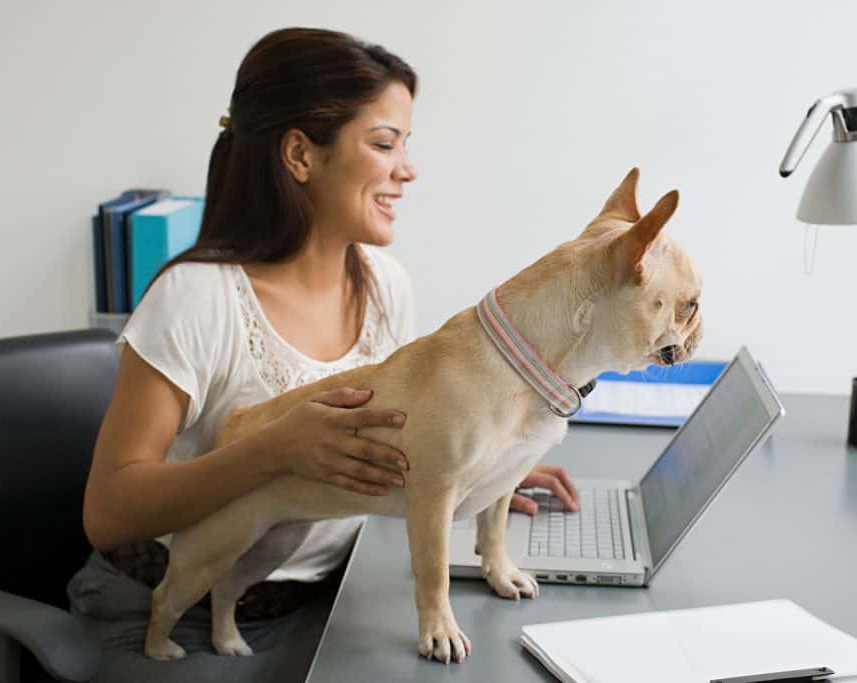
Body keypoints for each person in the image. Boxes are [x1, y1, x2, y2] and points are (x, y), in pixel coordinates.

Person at [69, 26, 580, 682]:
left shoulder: (385, 285)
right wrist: (275, 448)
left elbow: (406, 442)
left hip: (328, 605)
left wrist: (485, 457)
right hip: (167, 611)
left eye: (406, 145)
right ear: (301, 156)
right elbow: (106, 513)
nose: (408, 168)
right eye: (384, 143)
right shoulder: (194, 298)